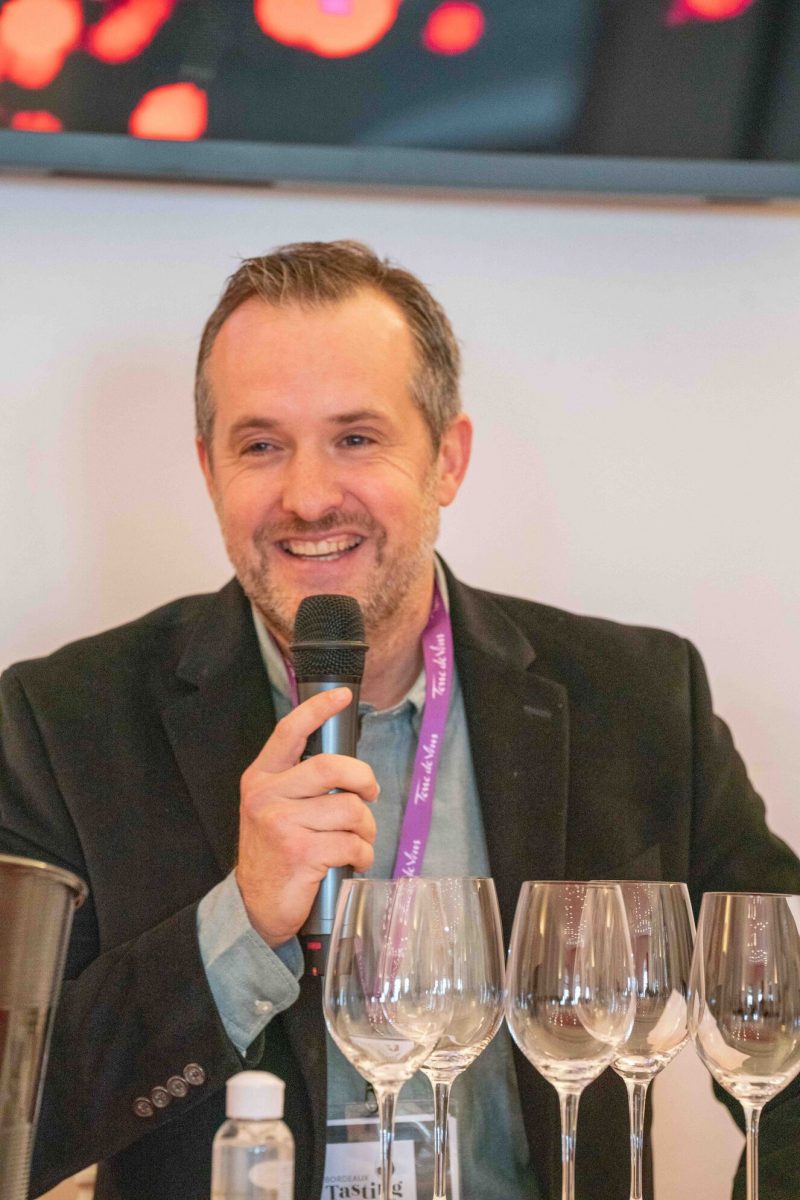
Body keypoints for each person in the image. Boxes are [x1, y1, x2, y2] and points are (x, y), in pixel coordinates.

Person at [1, 240, 799, 1200]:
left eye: (356, 438)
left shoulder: (636, 700)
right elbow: (14, 1118)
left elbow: (784, 1032)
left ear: (446, 459)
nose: (308, 497)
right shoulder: (65, 722)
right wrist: (237, 923)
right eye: (261, 445)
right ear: (209, 469)